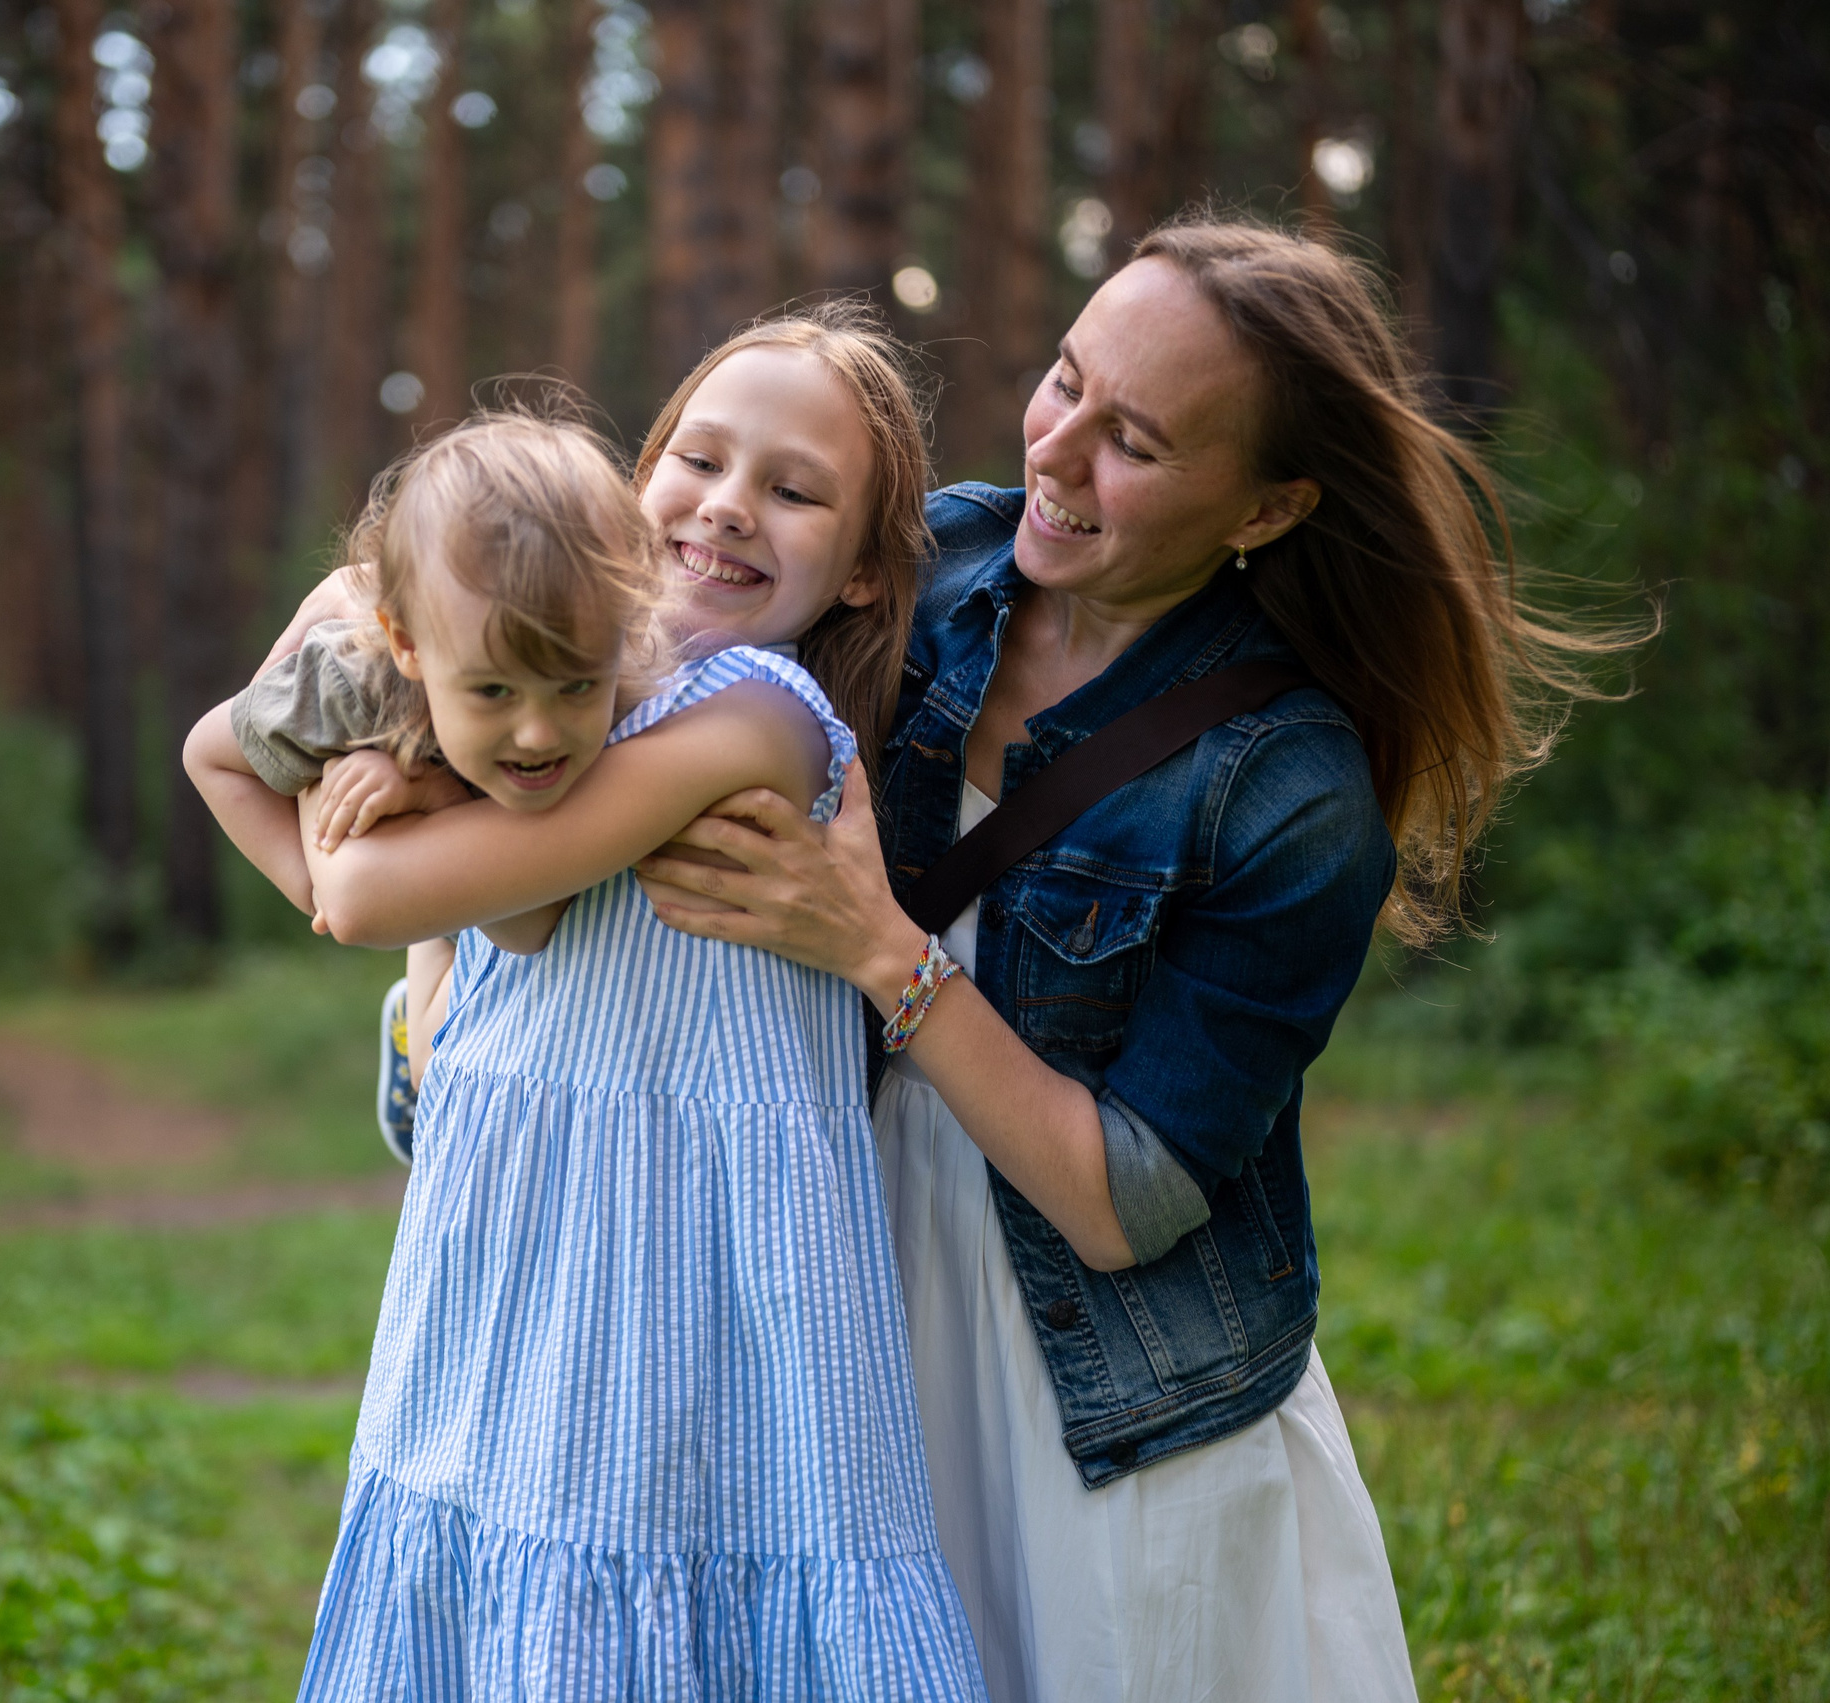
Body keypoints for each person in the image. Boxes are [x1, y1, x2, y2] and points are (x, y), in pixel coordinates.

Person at [633, 221, 1624, 1702]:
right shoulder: (936, 568)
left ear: (1269, 507)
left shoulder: (1289, 791)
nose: (1059, 453)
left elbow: (1126, 1204)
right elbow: (646, 648)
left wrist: (881, 952)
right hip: (839, 1297)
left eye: (1137, 442)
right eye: (1063, 383)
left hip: (1097, 1399)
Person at [198, 327, 988, 1696]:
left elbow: (392, 897)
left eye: (795, 492)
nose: (733, 501)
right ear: (636, 487)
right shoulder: (524, 697)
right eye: (699, 458)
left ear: (863, 568)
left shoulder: (757, 718)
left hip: (707, 1289)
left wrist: (389, 814)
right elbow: (236, 738)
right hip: (512, 1252)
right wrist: (395, 767)